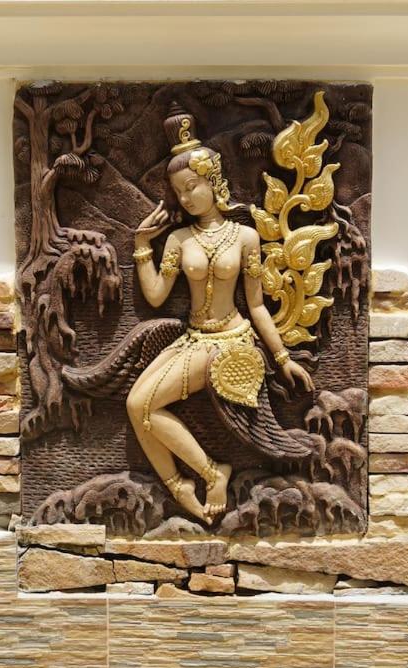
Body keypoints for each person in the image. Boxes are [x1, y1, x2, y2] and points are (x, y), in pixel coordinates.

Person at [126, 105, 313, 524]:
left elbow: (257, 305)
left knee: (144, 404)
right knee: (136, 403)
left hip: (232, 342)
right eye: (179, 191)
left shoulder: (245, 237)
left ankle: (210, 476)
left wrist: (282, 358)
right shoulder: (178, 239)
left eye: (192, 186)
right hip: (195, 339)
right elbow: (155, 296)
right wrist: (141, 245)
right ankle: (194, 480)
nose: (186, 197)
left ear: (213, 181)